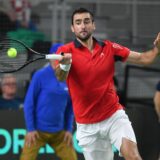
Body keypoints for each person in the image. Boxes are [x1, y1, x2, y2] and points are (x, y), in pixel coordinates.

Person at [54, 8, 160, 160]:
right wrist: (65, 64)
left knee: (134, 157)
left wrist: (158, 49)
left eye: (86, 21)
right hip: (87, 125)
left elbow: (144, 59)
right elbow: (60, 77)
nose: (82, 26)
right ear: (73, 28)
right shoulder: (65, 50)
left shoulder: (109, 48)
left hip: (113, 117)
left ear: (93, 25)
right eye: (78, 23)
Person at [20, 43, 77, 160]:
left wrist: (68, 129)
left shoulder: (70, 78)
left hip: (59, 133)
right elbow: (29, 104)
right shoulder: (39, 76)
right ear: (52, 58)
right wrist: (31, 129)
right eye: (59, 56)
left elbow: (70, 107)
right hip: (37, 132)